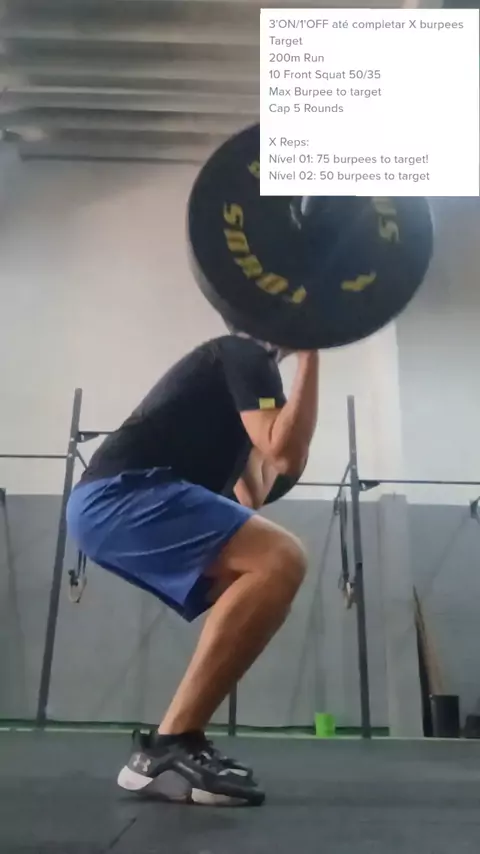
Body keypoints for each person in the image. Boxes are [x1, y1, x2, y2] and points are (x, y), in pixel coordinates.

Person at [67, 333, 319, 806]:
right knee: (283, 558)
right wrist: (312, 354)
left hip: (108, 505)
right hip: (122, 494)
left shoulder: (248, 387)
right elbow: (286, 451)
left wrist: (288, 420)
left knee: (268, 576)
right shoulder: (243, 353)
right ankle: (173, 739)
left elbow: (254, 492)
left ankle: (172, 746)